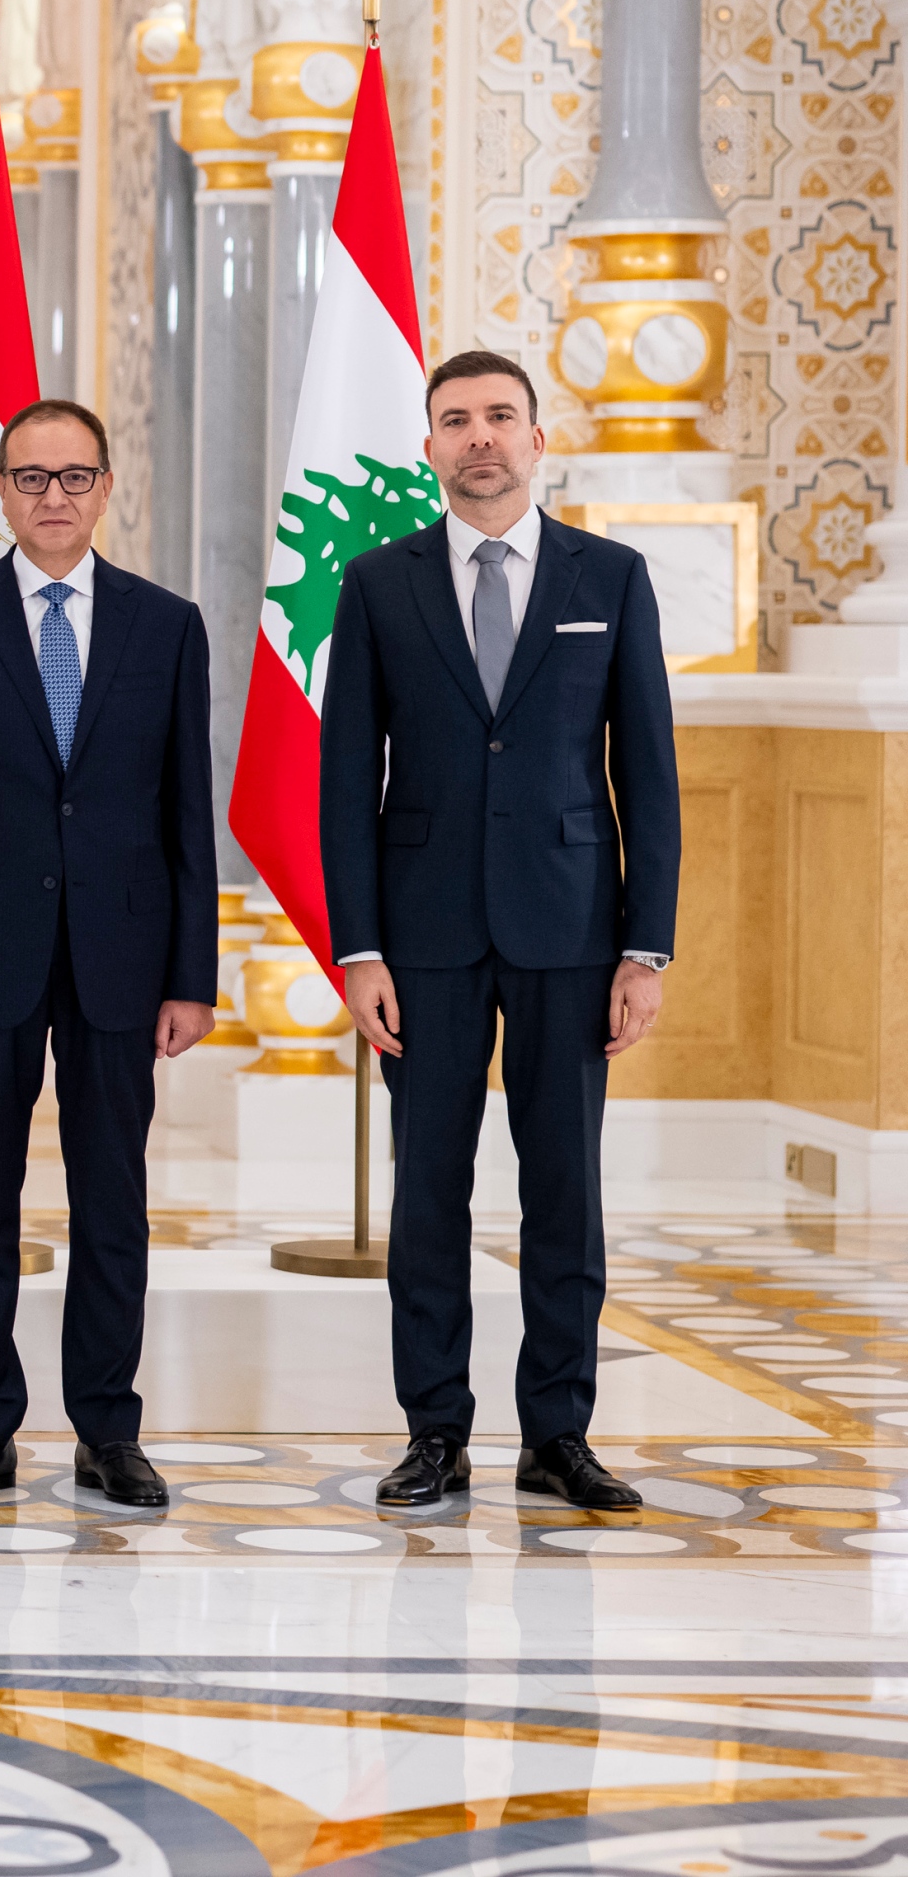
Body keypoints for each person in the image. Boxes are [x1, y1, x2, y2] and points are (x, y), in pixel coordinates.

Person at [321, 348, 678, 1513]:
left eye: (498, 416)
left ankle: (557, 1433)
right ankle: (432, 1430)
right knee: (427, 1189)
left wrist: (644, 947)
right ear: (428, 445)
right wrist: (356, 947)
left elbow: (647, 772)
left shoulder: (608, 575)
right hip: (418, 934)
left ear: (535, 437)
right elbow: (343, 779)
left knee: (562, 1190)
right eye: (454, 419)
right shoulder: (375, 583)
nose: (478, 435)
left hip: (569, 929)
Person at [0, 399, 217, 1510]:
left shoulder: (167, 626)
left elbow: (186, 817)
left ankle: (108, 1428)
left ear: (106, 487)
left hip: (123, 955)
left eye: (73, 477)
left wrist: (191, 975)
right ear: (0, 493)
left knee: (113, 1198)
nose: (52, 496)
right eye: (30, 477)